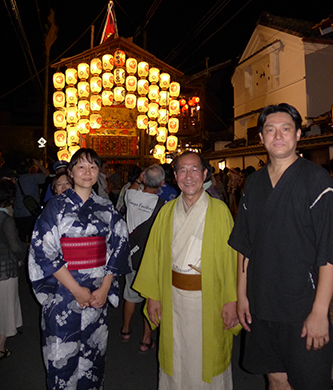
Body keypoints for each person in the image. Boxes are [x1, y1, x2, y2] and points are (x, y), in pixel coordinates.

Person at [228, 103, 333, 390]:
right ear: (261, 138)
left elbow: (329, 252)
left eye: (286, 129)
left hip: (301, 303)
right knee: (275, 378)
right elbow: (244, 245)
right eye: (270, 130)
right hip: (261, 302)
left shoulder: (316, 180)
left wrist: (320, 311)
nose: (278, 136)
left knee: (311, 382)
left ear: (299, 135)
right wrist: (242, 295)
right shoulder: (254, 183)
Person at [133, 151, 240, 389]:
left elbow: (232, 261)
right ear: (175, 176)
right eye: (182, 170)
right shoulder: (166, 212)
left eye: (194, 170)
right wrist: (153, 296)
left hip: (210, 298)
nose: (188, 176)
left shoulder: (220, 211)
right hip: (173, 299)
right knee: (176, 356)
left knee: (208, 359)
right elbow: (154, 257)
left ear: (204, 174)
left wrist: (232, 301)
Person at [28, 148, 131, 389]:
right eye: (81, 167)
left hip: (97, 293)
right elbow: (44, 250)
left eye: (93, 167)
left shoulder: (107, 209)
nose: (87, 172)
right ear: (71, 172)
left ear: (99, 172)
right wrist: (76, 290)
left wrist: (105, 288)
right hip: (63, 292)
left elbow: (119, 246)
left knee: (94, 356)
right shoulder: (55, 207)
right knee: (60, 357)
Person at [121, 164, 165, 352]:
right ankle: (146, 340)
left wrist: (138, 179)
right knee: (150, 298)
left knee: (130, 295)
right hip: (150, 259)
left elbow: (131, 187)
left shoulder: (131, 196)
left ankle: (125, 330)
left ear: (144, 180)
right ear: (162, 183)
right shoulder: (163, 206)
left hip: (131, 255)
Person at [0, 178, 26, 360]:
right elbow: (16, 247)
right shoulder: (6, 220)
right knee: (5, 310)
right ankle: (0, 348)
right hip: (4, 271)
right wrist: (25, 251)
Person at [14, 158, 49, 242]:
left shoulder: (14, 180)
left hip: (18, 213)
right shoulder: (33, 178)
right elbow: (47, 175)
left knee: (21, 237)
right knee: (33, 237)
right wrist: (38, 164)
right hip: (32, 211)